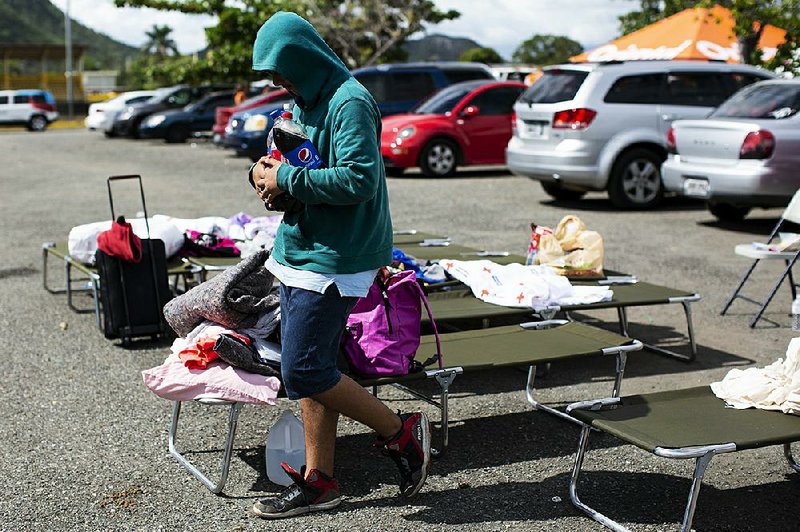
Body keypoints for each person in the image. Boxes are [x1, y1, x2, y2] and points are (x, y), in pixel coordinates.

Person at [248, 12, 432, 519]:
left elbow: (358, 180)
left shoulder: (349, 102)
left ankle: (400, 432)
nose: (277, 84)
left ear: (303, 59)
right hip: (298, 249)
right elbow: (287, 157)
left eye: (280, 72)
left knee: (302, 369)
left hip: (336, 257)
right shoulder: (301, 100)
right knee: (316, 368)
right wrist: (263, 174)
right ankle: (319, 480)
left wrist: (288, 182)